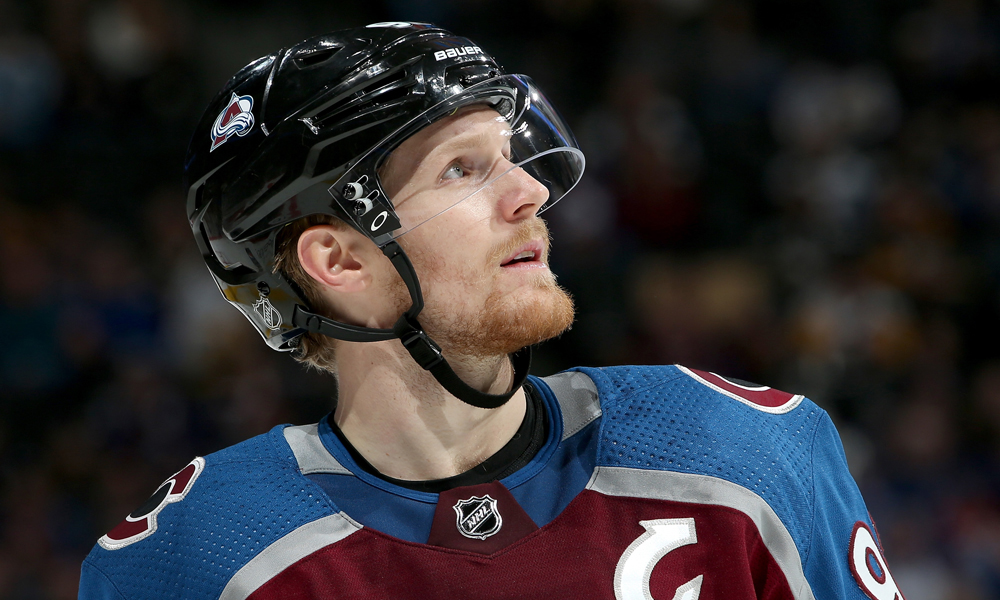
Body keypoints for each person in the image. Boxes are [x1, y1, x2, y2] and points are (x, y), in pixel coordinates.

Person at [79, 22, 902, 600]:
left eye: (510, 157)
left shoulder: (745, 454)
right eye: (462, 171)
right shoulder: (196, 558)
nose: (531, 192)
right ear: (338, 261)